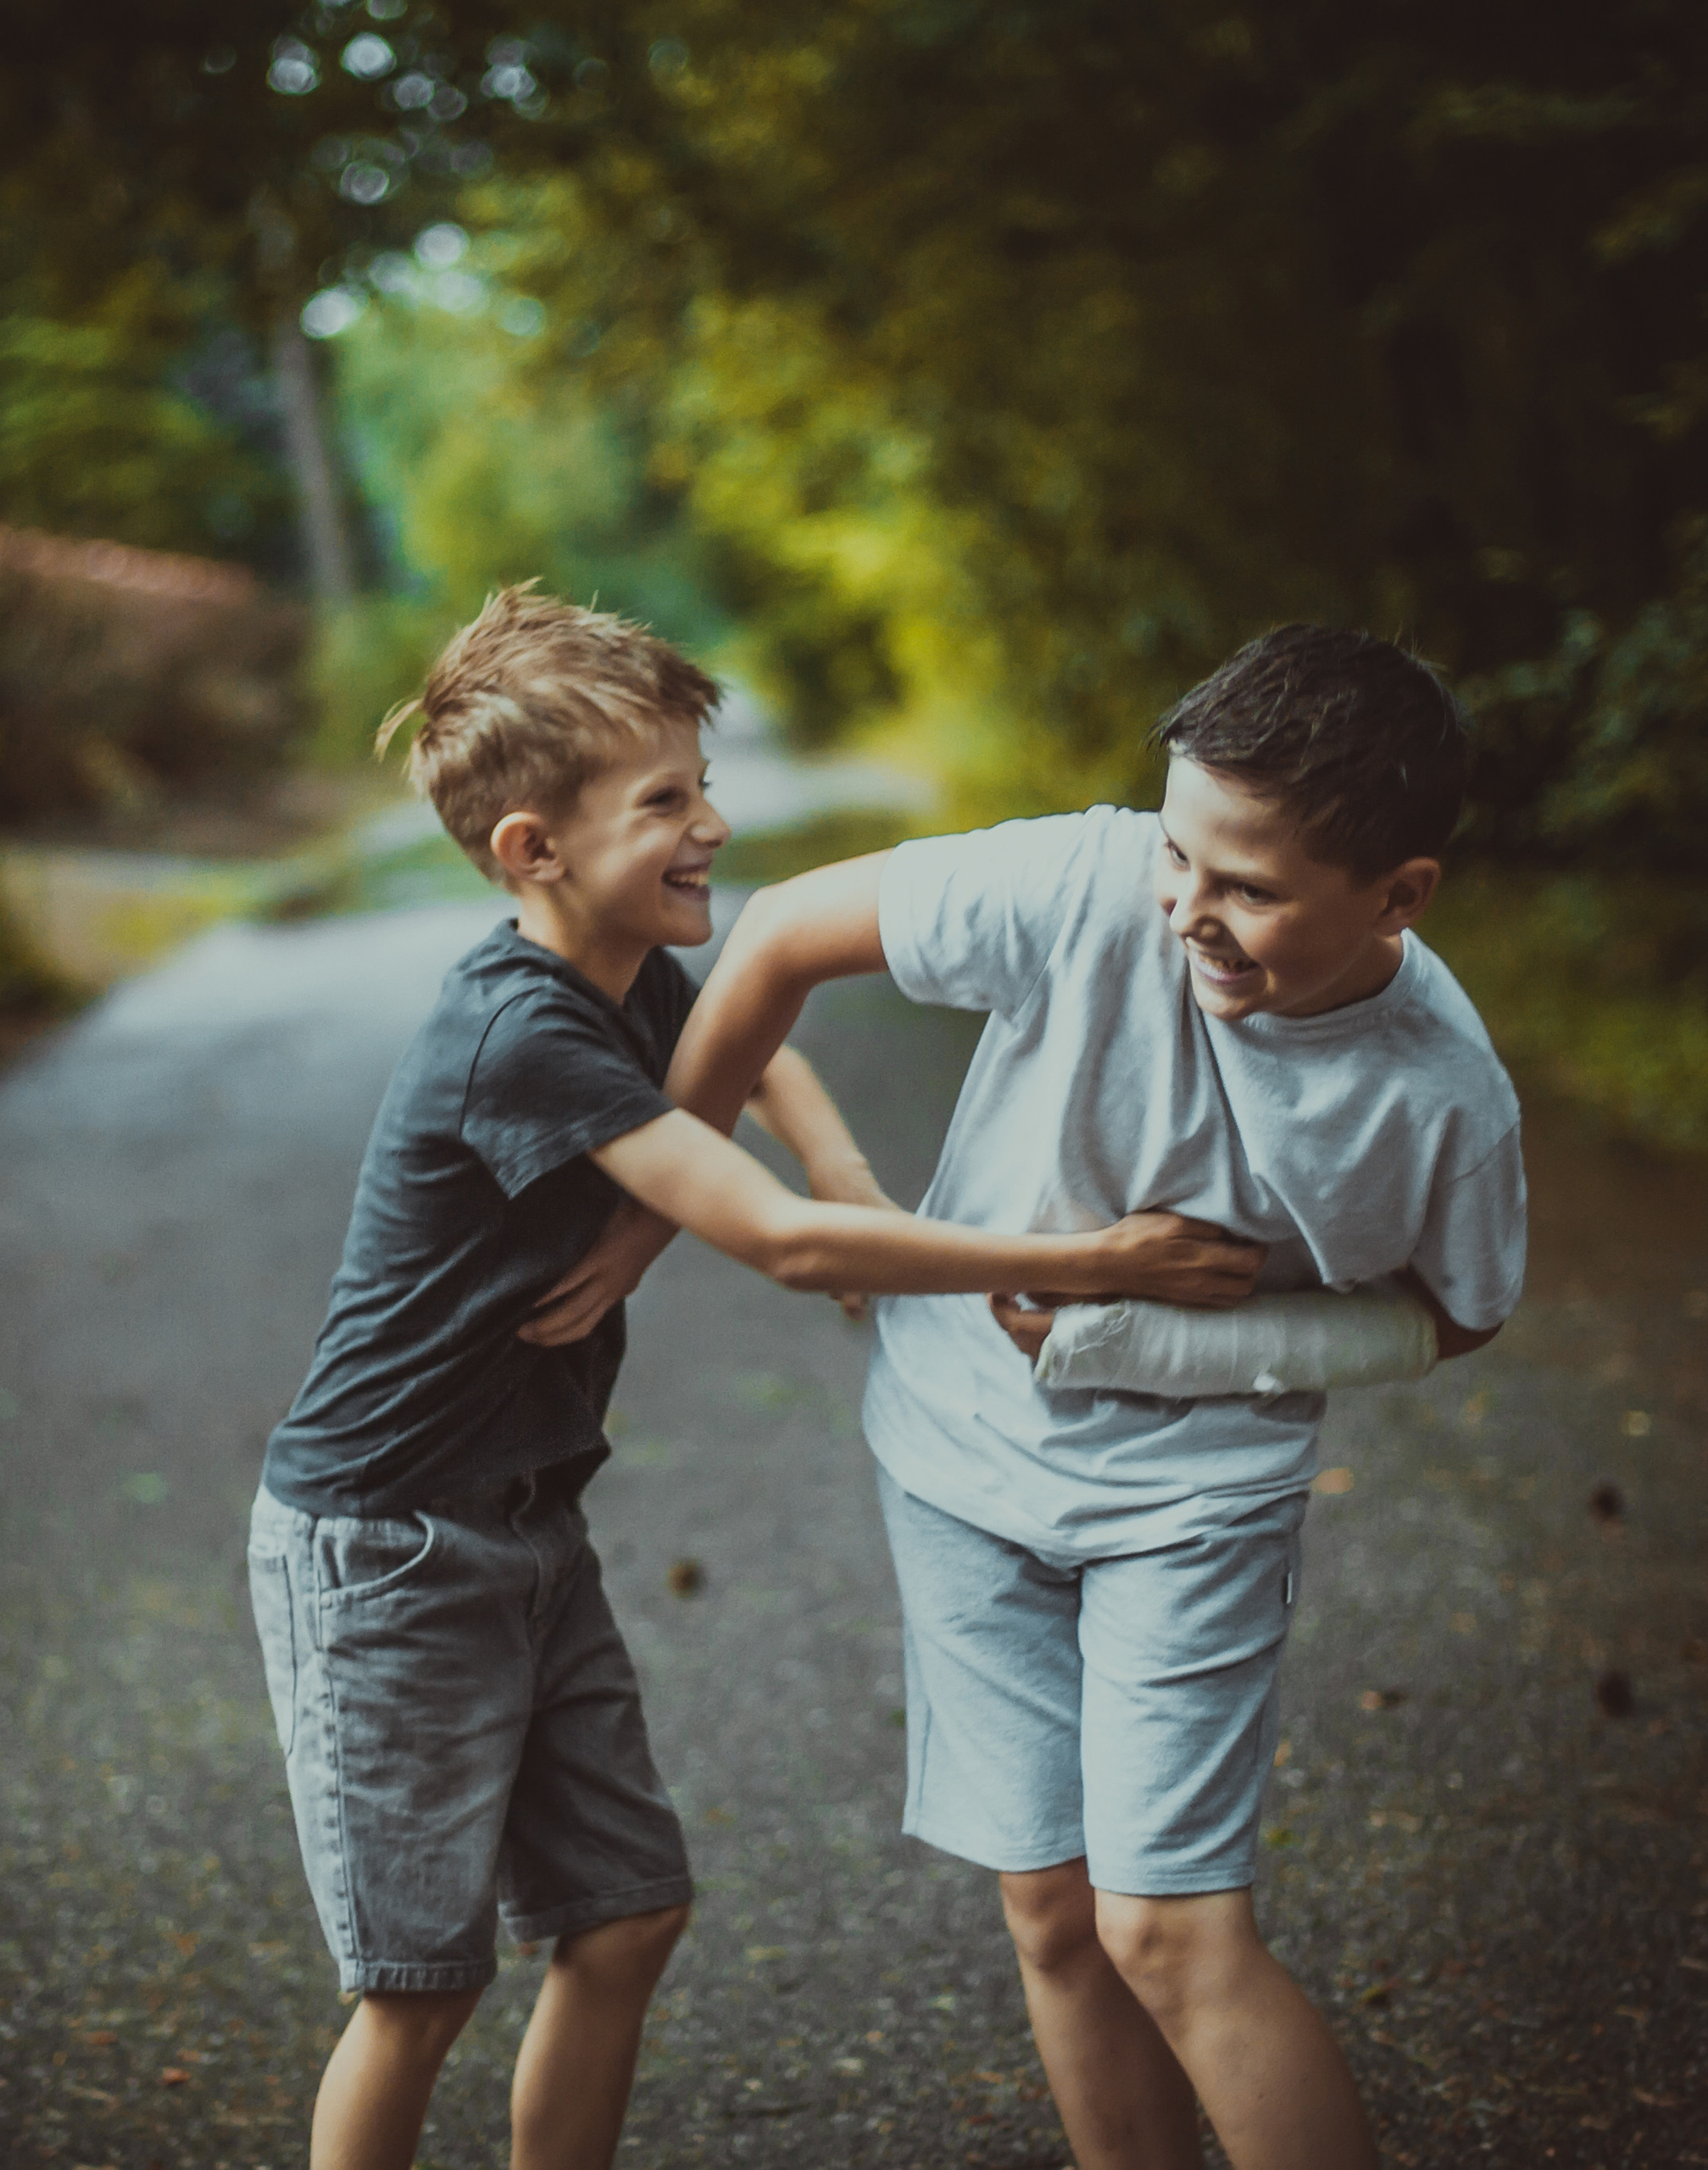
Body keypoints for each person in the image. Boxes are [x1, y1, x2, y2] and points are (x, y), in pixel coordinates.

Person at [248, 584, 1265, 2170]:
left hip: (522, 1527)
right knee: (416, 1990)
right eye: (667, 800)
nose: (713, 822)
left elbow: (760, 1046)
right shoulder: (509, 1030)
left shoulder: (623, 971)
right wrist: (1099, 1262)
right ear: (534, 850)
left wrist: (853, 1188)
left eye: (702, 783)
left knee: (629, 1916)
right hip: (384, 1547)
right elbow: (785, 1248)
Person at [547, 623, 1527, 2170]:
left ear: (1398, 895)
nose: (1191, 915)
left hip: (1193, 1506)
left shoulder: (1441, 1092)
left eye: (1253, 890)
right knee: (1054, 1911)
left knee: (1172, 1934)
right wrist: (656, 1201)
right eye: (1181, 856)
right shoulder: (1092, 881)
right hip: (954, 1463)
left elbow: (1455, 1317)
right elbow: (786, 928)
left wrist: (1169, 1332)